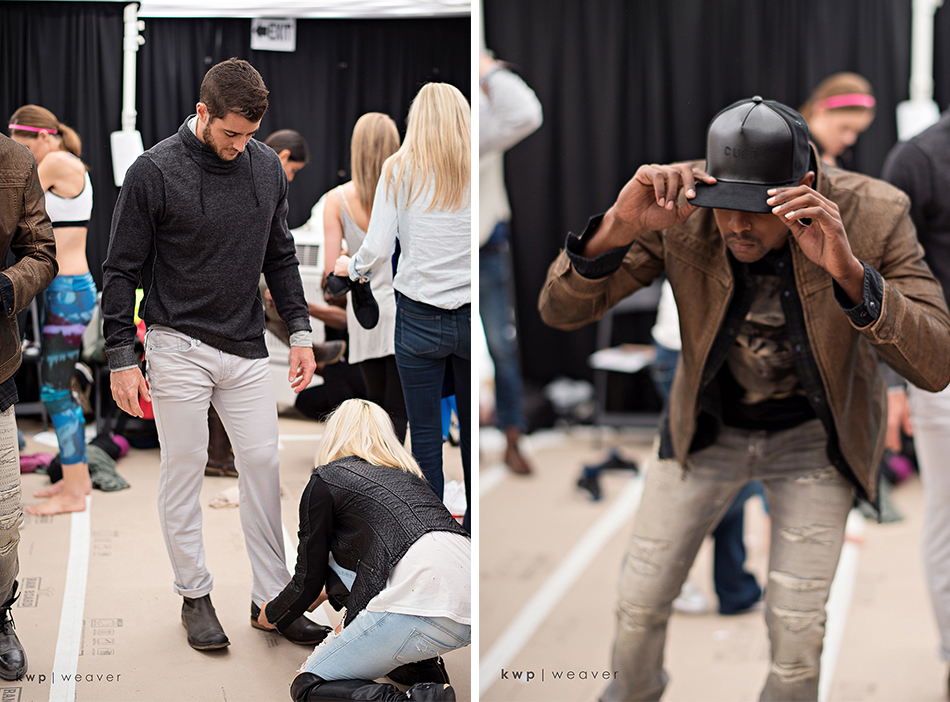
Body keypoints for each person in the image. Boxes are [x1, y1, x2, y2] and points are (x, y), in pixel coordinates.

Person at [539, 96, 950, 700]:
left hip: (815, 439)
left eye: (756, 209)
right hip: (706, 429)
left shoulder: (875, 211)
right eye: (725, 205)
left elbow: (936, 365)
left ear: (803, 189)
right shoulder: (683, 205)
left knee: (797, 630)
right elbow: (559, 311)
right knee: (639, 602)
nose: (736, 225)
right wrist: (618, 227)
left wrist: (850, 273)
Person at [101, 57, 329, 651]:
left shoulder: (266, 167)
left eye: (250, 134)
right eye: (231, 132)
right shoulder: (154, 170)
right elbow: (120, 269)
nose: (240, 145)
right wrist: (121, 354)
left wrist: (300, 332)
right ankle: (194, 595)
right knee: (184, 467)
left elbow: (280, 257)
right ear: (202, 112)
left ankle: (271, 600)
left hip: (246, 345)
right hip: (176, 341)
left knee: (263, 465)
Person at [256, 398, 470, 702]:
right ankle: (422, 668)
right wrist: (331, 593)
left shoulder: (326, 478)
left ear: (334, 433)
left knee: (307, 686)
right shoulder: (410, 477)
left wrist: (272, 614)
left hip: (421, 605)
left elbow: (308, 579)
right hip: (468, 604)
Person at [334, 83, 471, 530]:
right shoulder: (474, 166)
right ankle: (472, 528)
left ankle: (432, 534)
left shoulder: (399, 168)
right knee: (470, 433)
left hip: (418, 318)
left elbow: (377, 248)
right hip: (469, 315)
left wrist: (352, 268)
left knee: (425, 437)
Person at [881, 109, 950, 694]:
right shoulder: (919, 158)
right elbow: (885, 273)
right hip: (942, 370)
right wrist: (892, 381)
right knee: (948, 518)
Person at [650, 280, 766, 616]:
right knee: (709, 473)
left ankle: (734, 587)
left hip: (712, 349)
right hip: (688, 352)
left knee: (732, 468)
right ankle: (662, 572)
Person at [8, 105, 97, 515]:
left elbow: (13, 198)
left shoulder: (55, 162)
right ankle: (76, 481)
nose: (18, 152)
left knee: (56, 392)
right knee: (58, 391)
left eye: (22, 143)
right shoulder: (65, 161)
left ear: (43, 136)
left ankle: (75, 493)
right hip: (65, 291)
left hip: (68, 292)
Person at [0, 132, 59, 679]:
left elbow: (42, 253)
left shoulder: (14, 161)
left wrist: (6, 287)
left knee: (3, 524)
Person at [323, 113, 407, 442]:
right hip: (404, 307)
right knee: (400, 408)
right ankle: (396, 469)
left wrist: (349, 257)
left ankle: (376, 470)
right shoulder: (408, 196)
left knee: (376, 403)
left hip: (364, 313)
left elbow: (332, 279)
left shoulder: (336, 200)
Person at [479, 52, 543, 475]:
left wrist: (488, 71)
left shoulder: (487, 115)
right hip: (462, 247)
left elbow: (526, 113)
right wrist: (488, 68)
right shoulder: (470, 122)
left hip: (487, 244)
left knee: (502, 347)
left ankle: (513, 437)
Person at [799, 72, 876, 168]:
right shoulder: (794, 154)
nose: (850, 140)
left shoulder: (841, 159)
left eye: (857, 132)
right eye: (844, 128)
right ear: (820, 110)